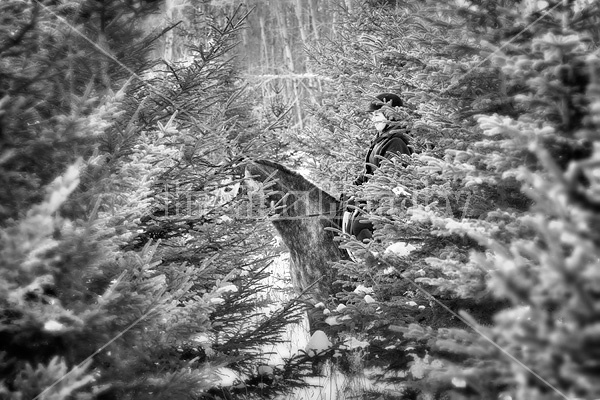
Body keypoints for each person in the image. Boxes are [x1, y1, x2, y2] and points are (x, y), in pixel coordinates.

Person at [342, 93, 413, 242]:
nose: (373, 119)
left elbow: (389, 178)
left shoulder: (396, 142)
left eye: (377, 115)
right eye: (372, 115)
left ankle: (377, 261)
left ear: (391, 115)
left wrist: (362, 194)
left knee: (359, 226)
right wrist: (351, 189)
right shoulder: (380, 140)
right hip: (376, 198)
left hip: (393, 202)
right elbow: (369, 172)